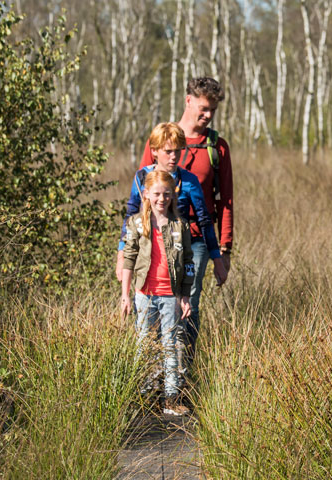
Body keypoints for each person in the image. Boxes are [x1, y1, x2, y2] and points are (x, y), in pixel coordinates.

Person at [138, 77, 234, 374]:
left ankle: (182, 377)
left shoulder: (216, 147)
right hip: (159, 237)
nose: (208, 116)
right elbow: (142, 191)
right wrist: (130, 246)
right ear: (188, 101)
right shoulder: (160, 139)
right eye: (204, 108)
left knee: (187, 304)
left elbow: (226, 200)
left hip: (198, 241)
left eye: (213, 112)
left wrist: (225, 248)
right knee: (155, 303)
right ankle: (152, 376)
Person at [120, 170, 194, 416]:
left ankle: (170, 398)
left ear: (173, 195)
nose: (161, 199)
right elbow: (129, 259)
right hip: (145, 294)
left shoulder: (180, 225)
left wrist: (185, 295)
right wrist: (125, 295)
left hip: (170, 295)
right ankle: (143, 394)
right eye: (157, 194)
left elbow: (188, 261)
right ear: (146, 195)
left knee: (171, 344)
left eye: (166, 194)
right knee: (144, 344)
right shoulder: (137, 224)